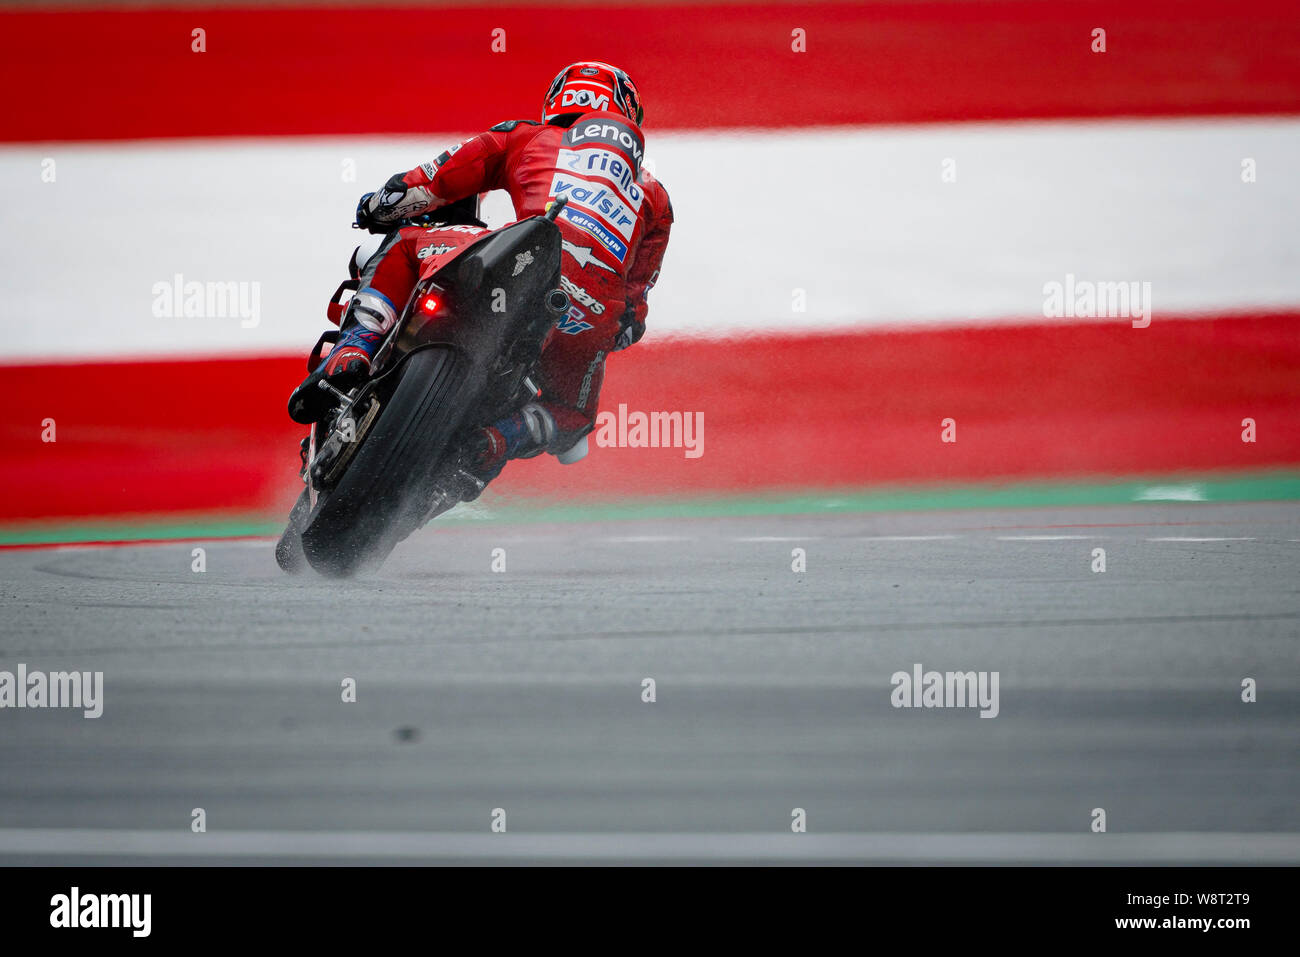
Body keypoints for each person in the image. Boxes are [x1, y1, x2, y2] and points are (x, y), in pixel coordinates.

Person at [288, 61, 673, 482]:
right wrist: (612, 328)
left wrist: (376, 205)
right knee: (573, 416)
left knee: (405, 242)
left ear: (558, 100)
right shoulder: (655, 197)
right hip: (588, 314)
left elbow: (425, 185)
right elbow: (634, 314)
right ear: (626, 111)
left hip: (519, 268)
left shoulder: (525, 135)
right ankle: (495, 441)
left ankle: (355, 349)